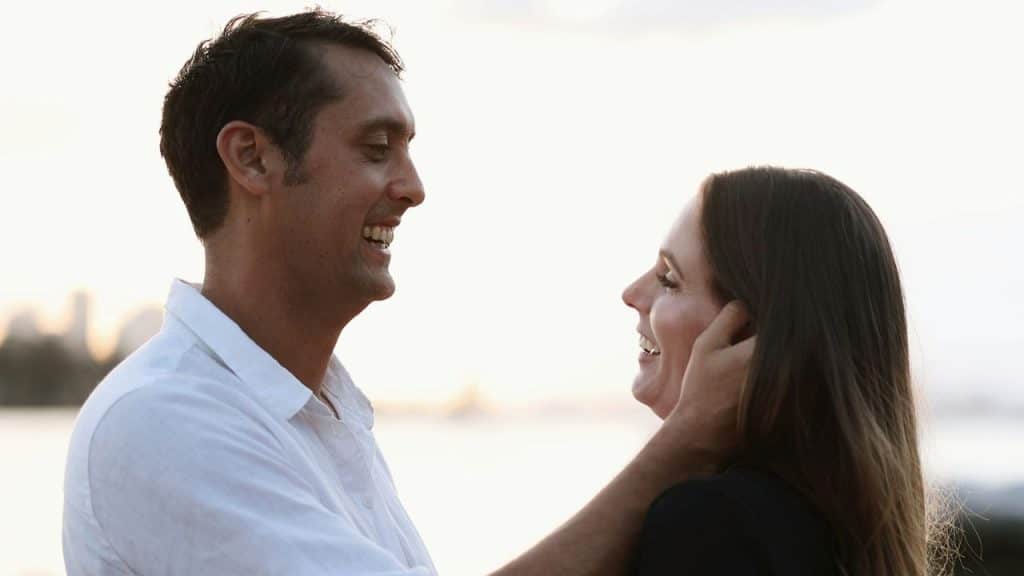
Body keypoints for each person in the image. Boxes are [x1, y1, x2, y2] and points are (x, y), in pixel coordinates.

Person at [61, 10, 754, 575]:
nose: (413, 188)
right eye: (376, 148)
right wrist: (682, 446)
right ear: (252, 158)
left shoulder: (319, 411)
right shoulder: (162, 422)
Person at [622, 167, 937, 576]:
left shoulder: (710, 525)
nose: (631, 294)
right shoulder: (835, 530)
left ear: (747, 337)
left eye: (669, 280)